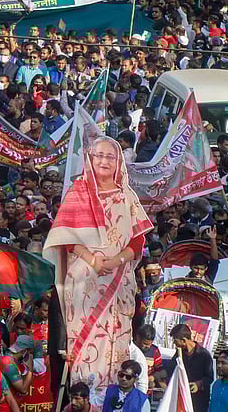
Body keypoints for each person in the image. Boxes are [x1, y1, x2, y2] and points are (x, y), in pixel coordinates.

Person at [43, 136, 153, 402]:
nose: (104, 161)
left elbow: (138, 239)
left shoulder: (127, 196)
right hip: (84, 281)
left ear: (119, 163)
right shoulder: (77, 191)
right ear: (89, 160)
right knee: (83, 341)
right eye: (99, 156)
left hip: (119, 278)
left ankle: (112, 398)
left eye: (110, 157)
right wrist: (93, 260)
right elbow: (66, 237)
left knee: (115, 338)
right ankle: (84, 399)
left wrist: (115, 261)